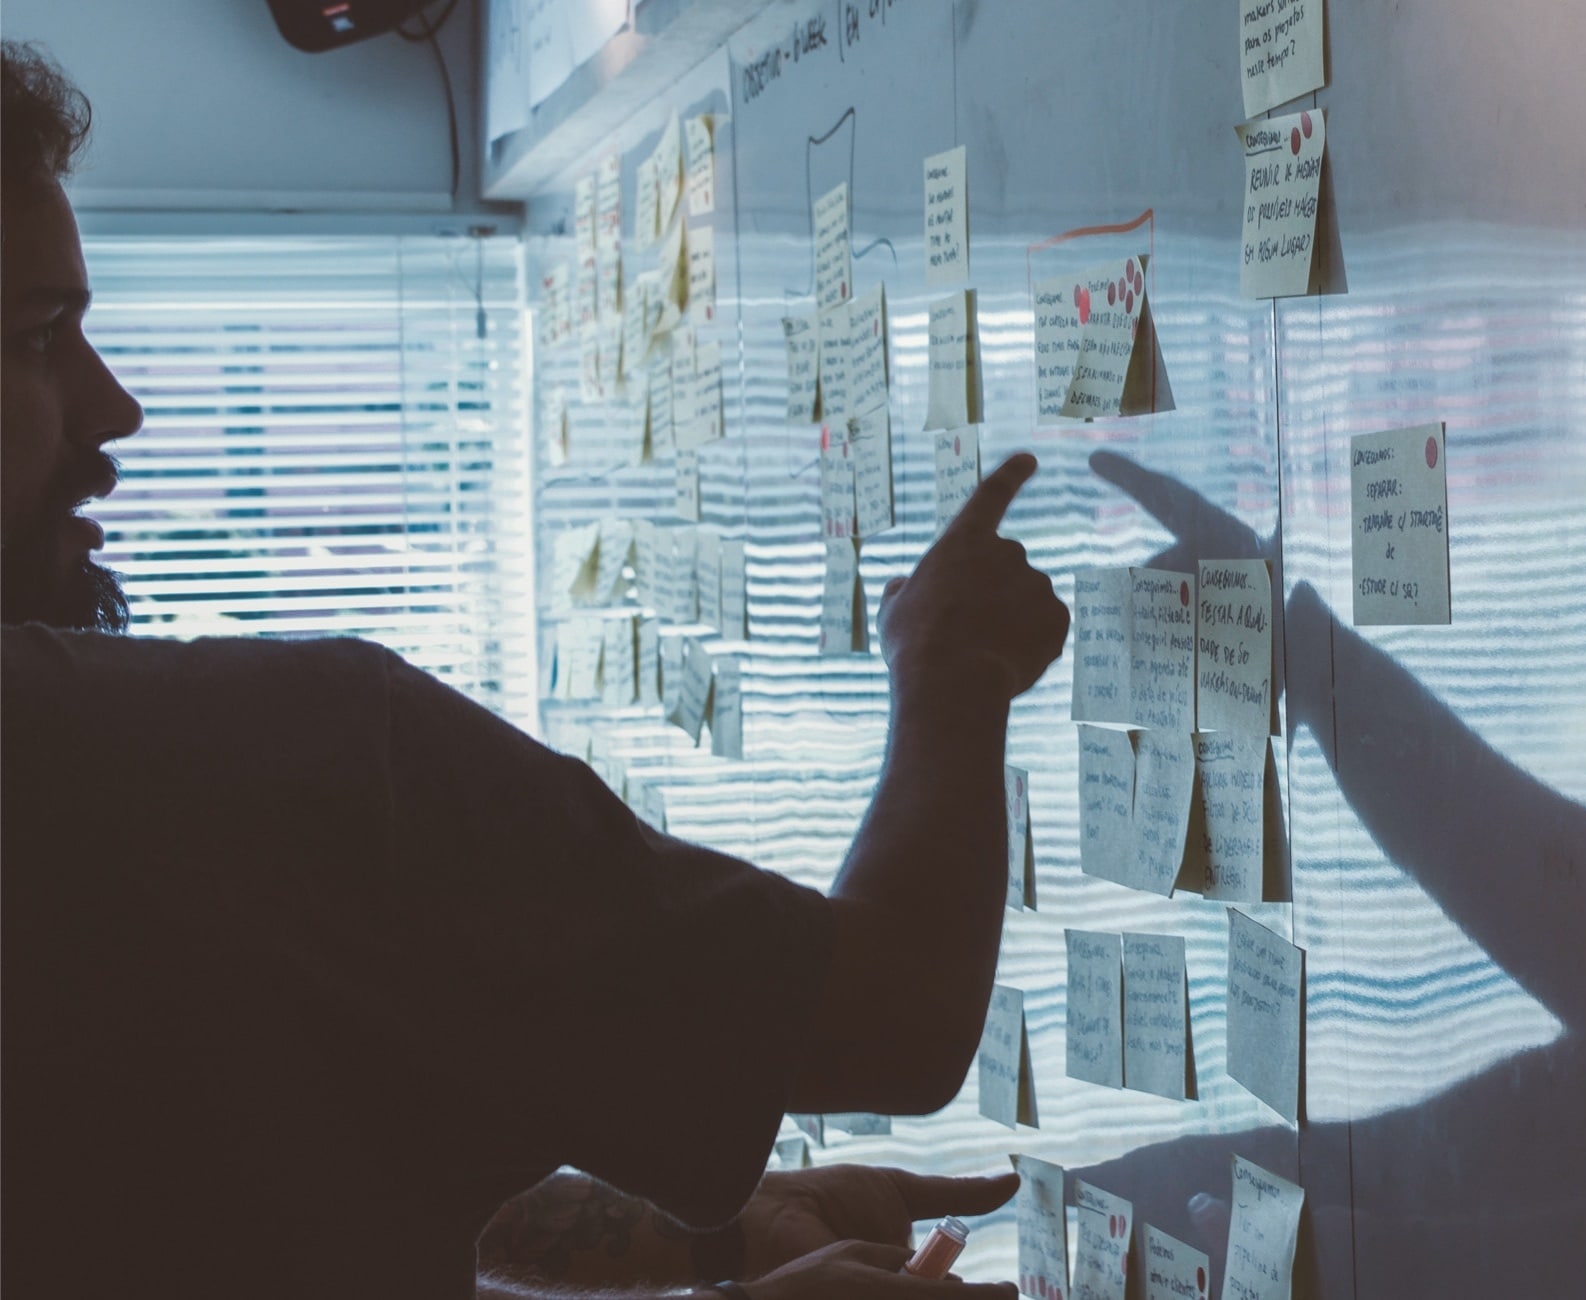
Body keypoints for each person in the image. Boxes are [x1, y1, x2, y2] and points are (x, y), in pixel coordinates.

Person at [1, 39, 1062, 1300]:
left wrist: (713, 1236)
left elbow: (189, 1183)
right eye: (37, 335)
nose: (111, 405)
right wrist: (950, 665)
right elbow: (898, 1009)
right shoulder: (299, 762)